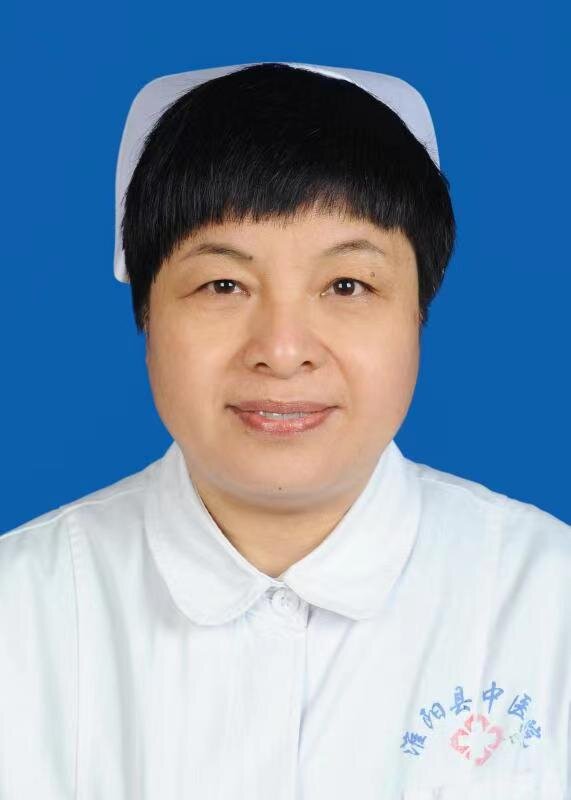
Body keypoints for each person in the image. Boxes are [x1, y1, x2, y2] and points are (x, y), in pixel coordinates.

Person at [1, 61, 569, 799]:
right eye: (223, 284)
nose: (282, 347)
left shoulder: (548, 602)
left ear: (417, 314)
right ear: (146, 314)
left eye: (346, 285)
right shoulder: (20, 611)